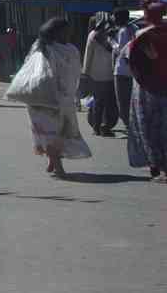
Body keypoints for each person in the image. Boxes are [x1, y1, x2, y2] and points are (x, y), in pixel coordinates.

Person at [23, 18, 92, 178]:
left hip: (64, 98)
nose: (68, 33)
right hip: (43, 98)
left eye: (69, 30)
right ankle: (58, 165)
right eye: (65, 31)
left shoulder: (71, 50)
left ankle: (53, 159)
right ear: (55, 32)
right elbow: (34, 70)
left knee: (61, 131)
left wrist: (75, 91)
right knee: (50, 132)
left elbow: (75, 72)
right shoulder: (42, 48)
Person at [128, 0, 167, 181]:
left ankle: (155, 164)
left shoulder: (142, 35)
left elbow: (129, 59)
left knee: (148, 126)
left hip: (146, 89)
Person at [82, 13, 117, 136]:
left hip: (95, 74)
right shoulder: (112, 35)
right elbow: (116, 50)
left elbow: (88, 54)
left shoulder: (92, 35)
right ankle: (105, 126)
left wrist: (85, 72)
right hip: (110, 73)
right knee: (108, 102)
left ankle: (96, 127)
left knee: (98, 101)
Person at [112, 8, 136, 131]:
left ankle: (129, 128)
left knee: (122, 102)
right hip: (132, 72)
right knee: (130, 101)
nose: (113, 18)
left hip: (121, 71)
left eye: (114, 16)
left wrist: (111, 41)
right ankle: (132, 127)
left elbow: (120, 50)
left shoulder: (122, 31)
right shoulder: (134, 28)